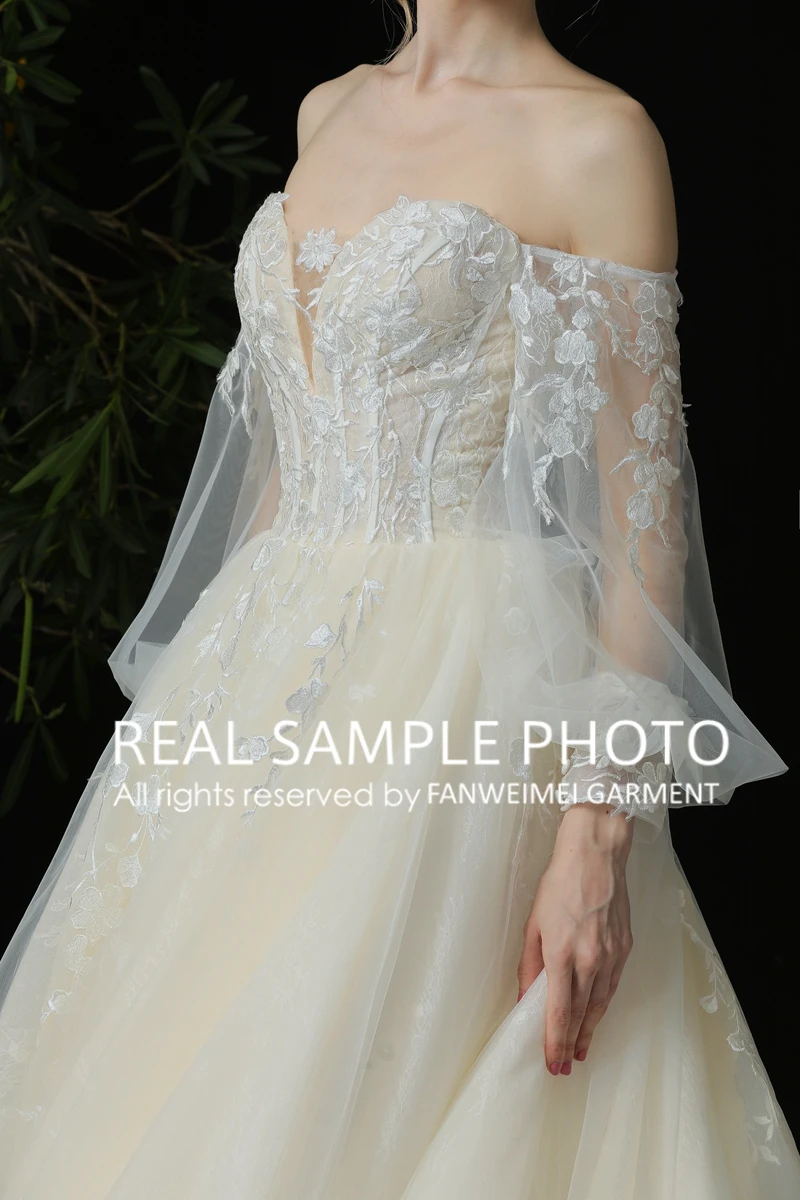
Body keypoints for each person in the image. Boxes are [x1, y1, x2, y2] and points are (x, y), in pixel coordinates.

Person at [1, 3, 797, 1197]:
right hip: (259, 681)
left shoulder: (596, 140)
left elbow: (643, 517)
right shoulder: (328, 109)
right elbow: (286, 457)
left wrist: (596, 834)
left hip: (456, 695)